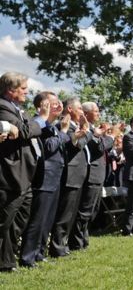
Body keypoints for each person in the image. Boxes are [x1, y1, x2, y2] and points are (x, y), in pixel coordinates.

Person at [0, 72, 49, 272]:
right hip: (11, 175)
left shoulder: (19, 109)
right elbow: (26, 131)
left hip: (27, 175)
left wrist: (33, 124)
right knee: (4, 221)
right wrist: (42, 119)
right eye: (23, 89)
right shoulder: (2, 107)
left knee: (18, 222)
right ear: (11, 90)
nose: (27, 92)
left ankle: (7, 261)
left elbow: (26, 128)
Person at [18, 92, 63, 268]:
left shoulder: (52, 126)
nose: (58, 105)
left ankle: (39, 252)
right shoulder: (39, 124)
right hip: (43, 176)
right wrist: (64, 133)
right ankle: (27, 256)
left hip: (55, 177)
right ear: (42, 106)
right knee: (37, 219)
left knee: (47, 218)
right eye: (53, 103)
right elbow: (50, 147)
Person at [49, 97, 91, 258]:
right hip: (70, 174)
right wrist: (87, 132)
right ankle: (57, 246)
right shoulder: (63, 125)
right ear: (70, 110)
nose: (82, 112)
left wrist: (84, 130)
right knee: (64, 213)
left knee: (72, 213)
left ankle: (64, 244)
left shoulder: (76, 126)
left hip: (78, 174)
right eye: (79, 108)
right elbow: (78, 145)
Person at [69, 102, 113, 251]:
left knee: (92, 211)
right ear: (86, 114)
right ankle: (76, 242)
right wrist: (111, 137)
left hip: (97, 174)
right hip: (90, 173)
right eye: (96, 111)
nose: (99, 114)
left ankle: (83, 239)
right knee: (84, 210)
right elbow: (100, 147)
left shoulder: (94, 130)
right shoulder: (87, 131)